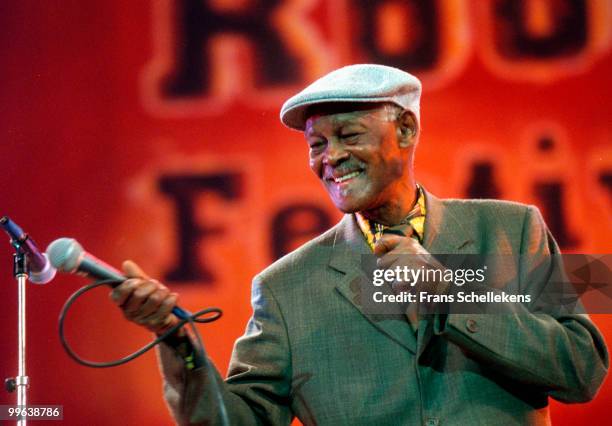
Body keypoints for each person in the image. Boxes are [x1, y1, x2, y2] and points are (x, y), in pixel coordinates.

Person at [110, 64, 608, 425]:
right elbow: (232, 421)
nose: (332, 157)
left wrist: (450, 292)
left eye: (348, 134)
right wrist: (177, 341)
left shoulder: (511, 230)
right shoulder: (286, 287)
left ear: (406, 130)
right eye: (317, 144)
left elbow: (582, 372)